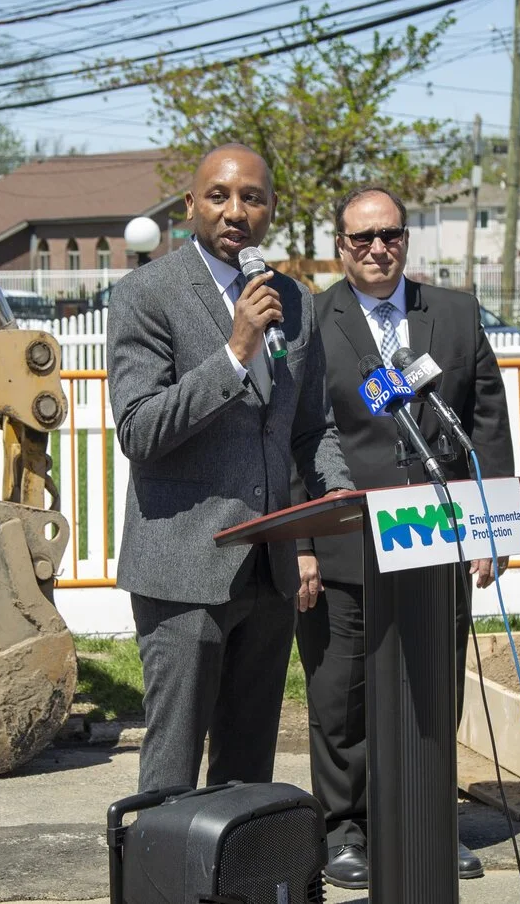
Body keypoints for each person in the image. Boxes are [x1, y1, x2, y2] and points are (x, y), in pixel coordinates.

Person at [106, 143, 353, 795]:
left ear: (270, 209)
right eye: (219, 195)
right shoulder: (145, 296)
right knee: (172, 770)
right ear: (190, 206)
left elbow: (311, 427)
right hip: (181, 569)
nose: (235, 211)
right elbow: (139, 429)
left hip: (266, 576)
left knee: (247, 773)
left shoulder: (294, 302)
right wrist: (234, 351)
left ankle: (237, 891)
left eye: (253, 197)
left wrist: (341, 493)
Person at [294, 185, 514, 890]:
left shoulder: (450, 313)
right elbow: (297, 437)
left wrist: (488, 527)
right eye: (362, 239)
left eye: (389, 235)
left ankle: (427, 820)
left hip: (434, 540)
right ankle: (345, 830)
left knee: (431, 685)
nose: (377, 250)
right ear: (341, 247)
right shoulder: (313, 320)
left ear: (406, 240)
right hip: (344, 541)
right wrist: (301, 541)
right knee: (342, 693)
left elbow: (486, 422)